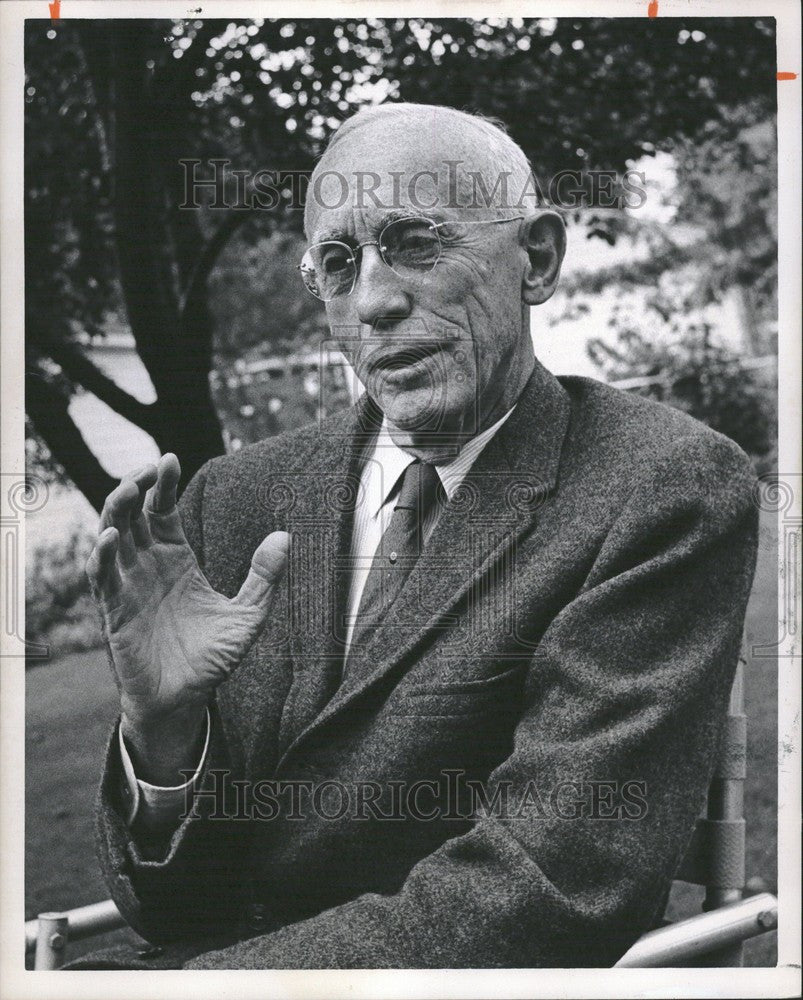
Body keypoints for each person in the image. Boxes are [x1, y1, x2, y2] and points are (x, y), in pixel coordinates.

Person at [79, 104, 758, 969]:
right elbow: (173, 908)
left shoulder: (658, 487)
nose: (371, 302)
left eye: (414, 242)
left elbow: (550, 888)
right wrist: (162, 735)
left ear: (537, 259)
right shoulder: (233, 500)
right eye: (336, 265)